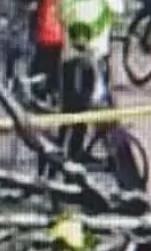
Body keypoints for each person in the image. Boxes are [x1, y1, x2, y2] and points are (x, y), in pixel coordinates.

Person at [58, 0, 124, 160]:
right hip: (95, 52)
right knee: (84, 104)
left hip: (72, 52)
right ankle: (74, 152)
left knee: (70, 105)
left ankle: (59, 149)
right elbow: (117, 11)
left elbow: (62, 12)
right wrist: (93, 30)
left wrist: (77, 34)